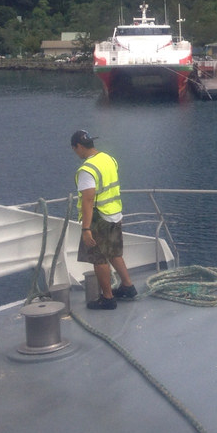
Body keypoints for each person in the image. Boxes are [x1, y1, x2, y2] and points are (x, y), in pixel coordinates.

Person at [70, 130, 137, 309]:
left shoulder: (87, 170)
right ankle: (128, 287)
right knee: (115, 253)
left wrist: (86, 229)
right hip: (115, 213)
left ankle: (107, 298)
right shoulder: (108, 159)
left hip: (99, 218)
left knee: (99, 259)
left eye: (74, 149)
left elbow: (88, 200)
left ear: (77, 147)